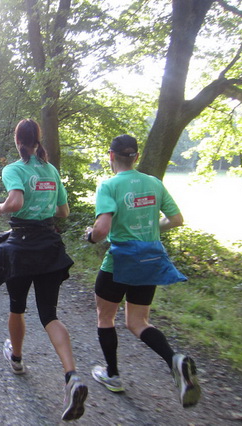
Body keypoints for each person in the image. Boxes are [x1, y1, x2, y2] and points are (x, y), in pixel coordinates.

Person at [84, 134, 201, 408]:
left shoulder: (109, 185)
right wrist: (150, 230)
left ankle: (112, 375)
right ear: (136, 157)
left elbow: (102, 230)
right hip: (150, 260)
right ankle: (174, 360)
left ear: (111, 156)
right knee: (138, 322)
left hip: (119, 262)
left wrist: (90, 236)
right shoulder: (154, 183)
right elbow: (177, 219)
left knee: (105, 317)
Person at [0, 119, 88, 422]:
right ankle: (72, 376)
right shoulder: (51, 170)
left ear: (17, 140)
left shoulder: (14, 169)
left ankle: (17, 359)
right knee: (49, 314)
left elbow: (15, 202)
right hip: (50, 247)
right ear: (38, 140)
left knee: (17, 307)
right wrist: (42, 204)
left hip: (21, 248)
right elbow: (63, 211)